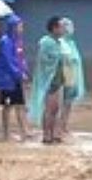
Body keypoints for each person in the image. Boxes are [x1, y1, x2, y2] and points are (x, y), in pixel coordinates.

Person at [30, 17, 85, 145]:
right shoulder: (46, 42)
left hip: (58, 80)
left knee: (55, 109)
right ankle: (46, 135)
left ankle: (53, 133)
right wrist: (61, 56)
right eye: (60, 27)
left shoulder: (59, 42)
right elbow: (46, 60)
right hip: (49, 81)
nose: (63, 29)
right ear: (54, 28)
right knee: (49, 109)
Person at [0, 15, 28, 141]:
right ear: (13, 27)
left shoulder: (18, 41)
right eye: (20, 26)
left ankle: (24, 131)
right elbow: (7, 61)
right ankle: (6, 133)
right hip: (7, 80)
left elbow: (21, 58)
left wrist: (24, 70)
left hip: (16, 79)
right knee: (7, 106)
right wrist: (18, 73)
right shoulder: (5, 41)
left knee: (20, 104)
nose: (22, 28)